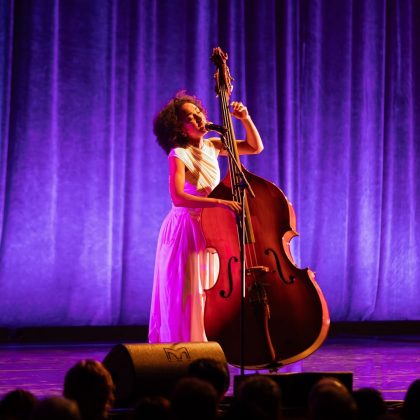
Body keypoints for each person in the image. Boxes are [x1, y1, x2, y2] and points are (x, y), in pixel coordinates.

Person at [148, 91, 263, 343]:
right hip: (185, 227)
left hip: (208, 226)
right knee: (188, 291)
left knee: (206, 290)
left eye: (199, 113)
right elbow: (178, 198)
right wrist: (219, 202)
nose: (199, 119)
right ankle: (183, 348)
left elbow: (255, 147)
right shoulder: (179, 154)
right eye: (190, 118)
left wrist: (245, 118)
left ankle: (205, 347)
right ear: (179, 127)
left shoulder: (213, 146)